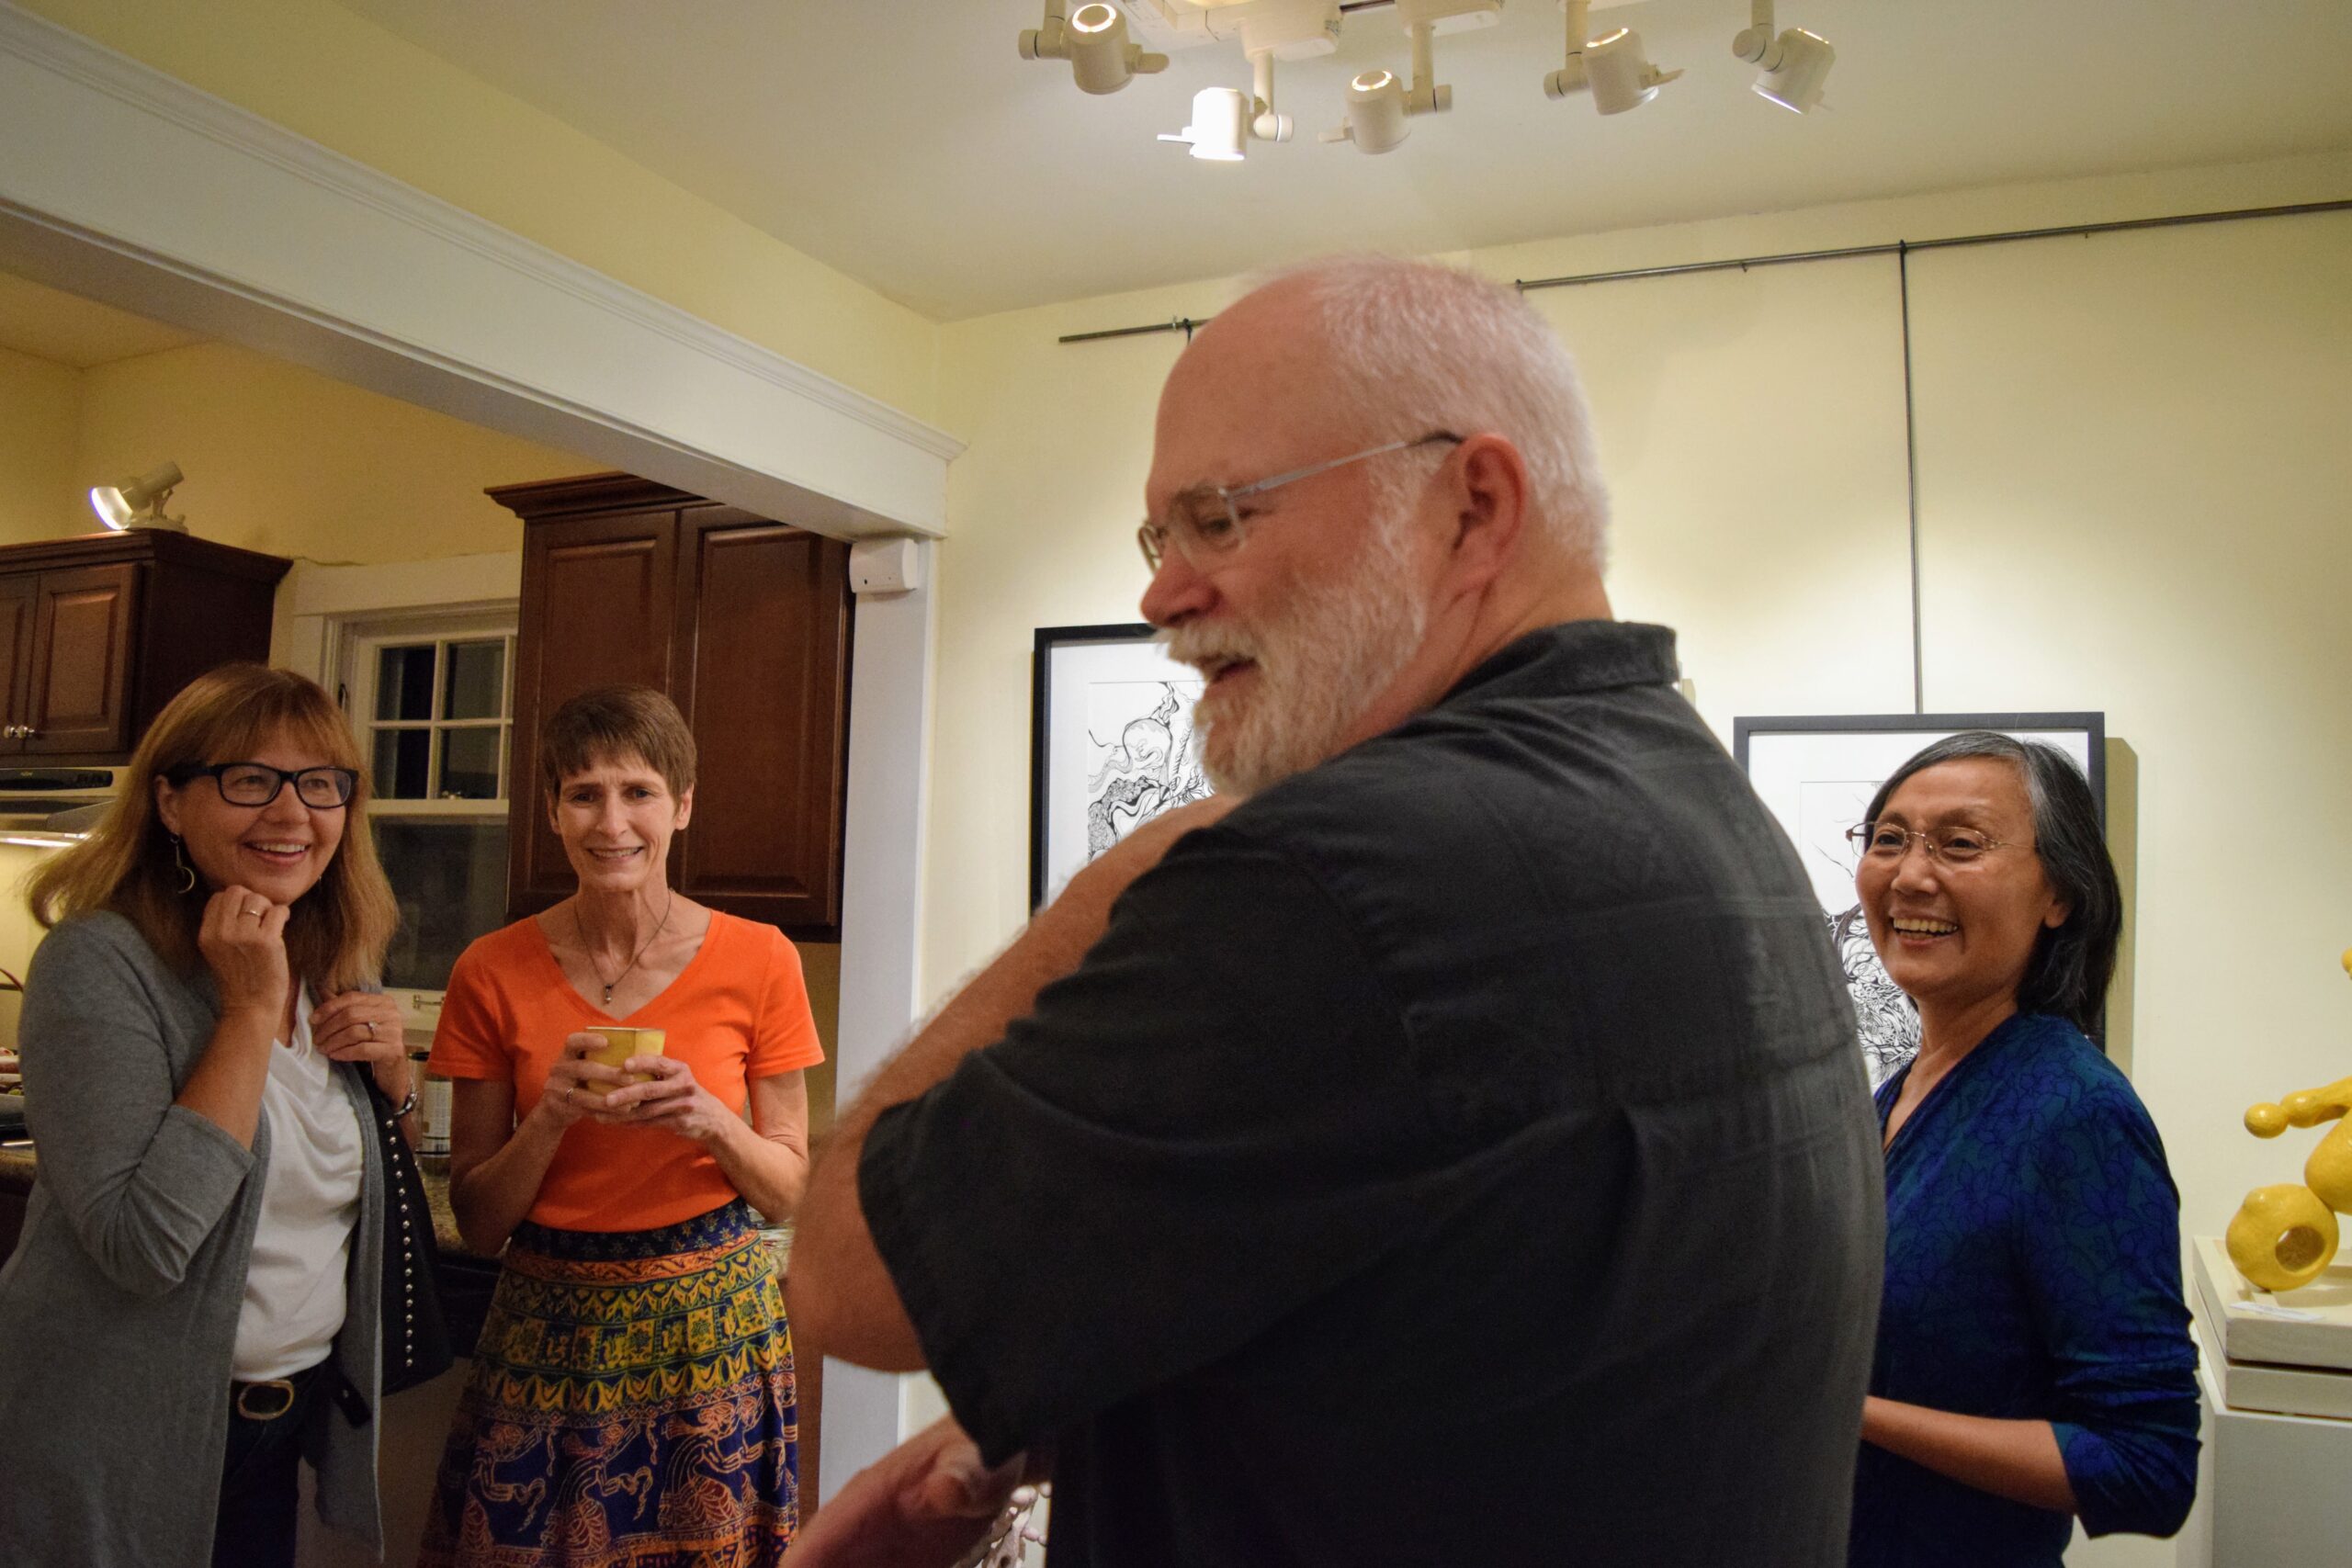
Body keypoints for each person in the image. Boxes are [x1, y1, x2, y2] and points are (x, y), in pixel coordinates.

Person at [787, 254, 1884, 1567]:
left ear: (1474, 508)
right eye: (1159, 537)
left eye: (1219, 519)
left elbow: (846, 1271)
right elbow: (1505, 1303)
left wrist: (1152, 860)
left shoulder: (1334, 881)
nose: (1161, 594)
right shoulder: (1696, 800)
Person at [0, 665, 409, 1567]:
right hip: (116, 1430)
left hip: (274, 1430)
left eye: (321, 783)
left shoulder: (333, 962)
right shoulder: (100, 962)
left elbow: (347, 1184)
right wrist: (249, 1012)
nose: (292, 812)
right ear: (171, 803)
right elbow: (144, 1244)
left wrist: (395, 1085)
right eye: (249, 779)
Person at [417, 684, 824, 1565]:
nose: (612, 823)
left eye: (638, 791)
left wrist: (711, 1120)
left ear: (682, 806)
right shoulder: (489, 969)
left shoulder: (762, 958)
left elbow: (789, 1188)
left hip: (712, 1333)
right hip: (545, 1330)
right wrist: (551, 1116)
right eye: (584, 794)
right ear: (552, 811)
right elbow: (479, 1220)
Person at [1845, 733, 2198, 1564]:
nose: (1910, 875)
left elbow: (2146, 1464)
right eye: (1889, 838)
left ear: (2060, 894)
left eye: (1960, 843)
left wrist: (1846, 1412)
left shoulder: (2074, 1114)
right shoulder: (1900, 1092)